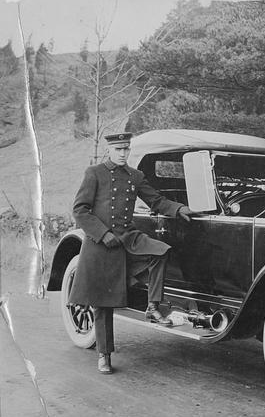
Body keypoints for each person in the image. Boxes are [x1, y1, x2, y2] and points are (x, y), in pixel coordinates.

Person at [67, 132, 196, 374]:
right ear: (110, 151)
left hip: (128, 237)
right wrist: (103, 234)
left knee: (161, 252)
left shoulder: (135, 176)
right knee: (102, 304)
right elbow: (80, 210)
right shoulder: (94, 173)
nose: (123, 153)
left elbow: (156, 201)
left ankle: (153, 306)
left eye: (126, 149)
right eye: (119, 150)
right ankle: (104, 356)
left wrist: (180, 209)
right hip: (101, 243)